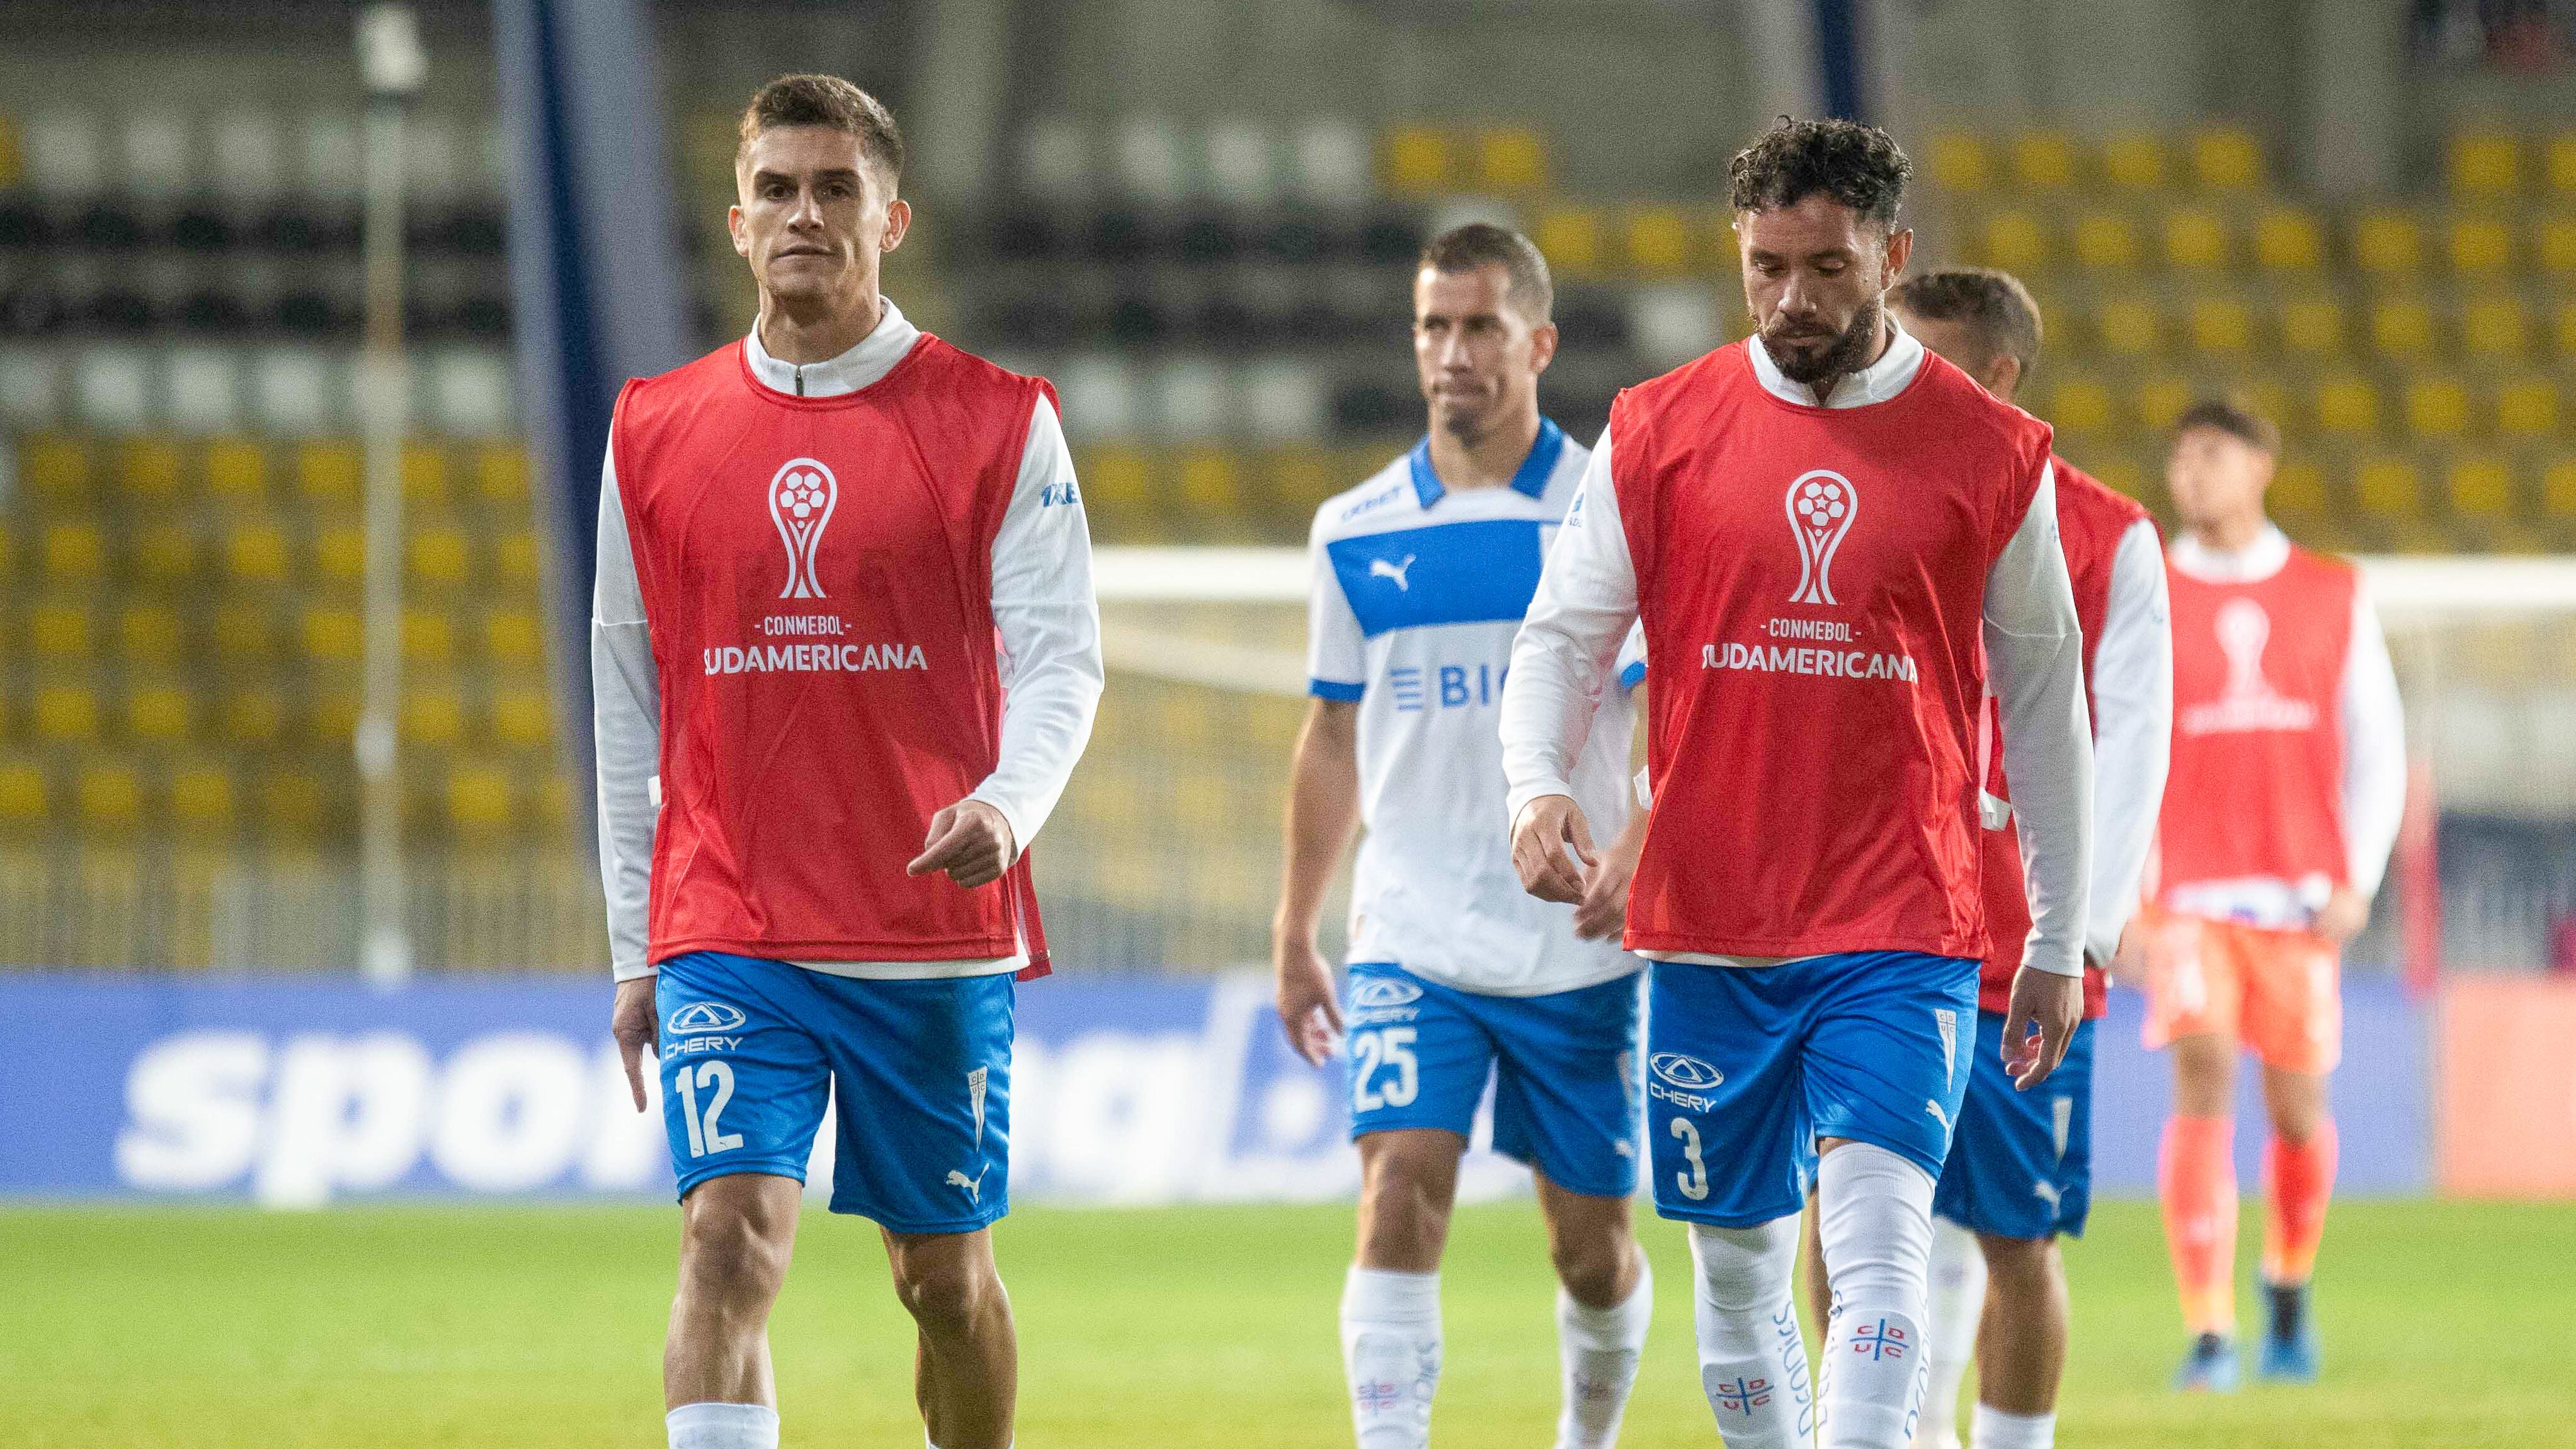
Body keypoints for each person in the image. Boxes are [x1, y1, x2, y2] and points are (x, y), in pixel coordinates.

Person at [1500, 118, 2097, 1449]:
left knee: (1877, 1240)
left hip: (1901, 925)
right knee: (1732, 1267)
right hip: (1709, 919)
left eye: (1824, 269)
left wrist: (2061, 931)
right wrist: (1534, 784)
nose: (1789, 300)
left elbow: (2048, 705)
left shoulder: (1993, 453)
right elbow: (1561, 636)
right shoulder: (1656, 429)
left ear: (1888, 255)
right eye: (1765, 266)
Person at [593, 75, 1103, 1449]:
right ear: (736, 221)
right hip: (730, 919)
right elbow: (624, 694)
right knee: (727, 1239)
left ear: (892, 219)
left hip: (923, 928)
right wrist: (633, 941)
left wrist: (1009, 801)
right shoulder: (652, 426)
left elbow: (1063, 659)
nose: (802, 214)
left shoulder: (998, 420)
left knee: (938, 1280)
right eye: (775, 189)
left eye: (833, 190)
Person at [1276, 221, 1654, 1449]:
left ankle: (1583, 1436)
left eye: (1479, 325)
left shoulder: (1609, 510)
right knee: (1396, 1195)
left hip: (1575, 943)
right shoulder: (1354, 526)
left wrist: (1643, 830)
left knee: (1591, 1253)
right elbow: (1328, 738)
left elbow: (1668, 711)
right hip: (1413, 931)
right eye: (1432, 326)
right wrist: (1293, 926)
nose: (1451, 351)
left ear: (1537, 342)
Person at [1796, 268, 2172, 1449]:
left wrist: (2083, 934)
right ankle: (1875, 1430)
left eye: (1927, 353)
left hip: (2020, 950)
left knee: (2016, 1237)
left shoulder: (2110, 539)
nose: (1893, 373)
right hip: (1868, 929)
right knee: (1836, 1209)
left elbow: (2135, 746)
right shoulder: (1857, 504)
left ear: (1999, 375)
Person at [2141, 400, 2404, 1391]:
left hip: (2297, 898)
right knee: (2201, 1071)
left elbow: (2375, 743)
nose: (2190, 475)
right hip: (2187, 892)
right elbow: (2115, 739)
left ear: (2260, 465)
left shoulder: (2332, 593)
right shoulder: (2148, 592)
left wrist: (2358, 875)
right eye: (2178, 459)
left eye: (2209, 455)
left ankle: (2285, 1287)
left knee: (2296, 1111)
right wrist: (2124, 886)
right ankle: (2208, 1332)